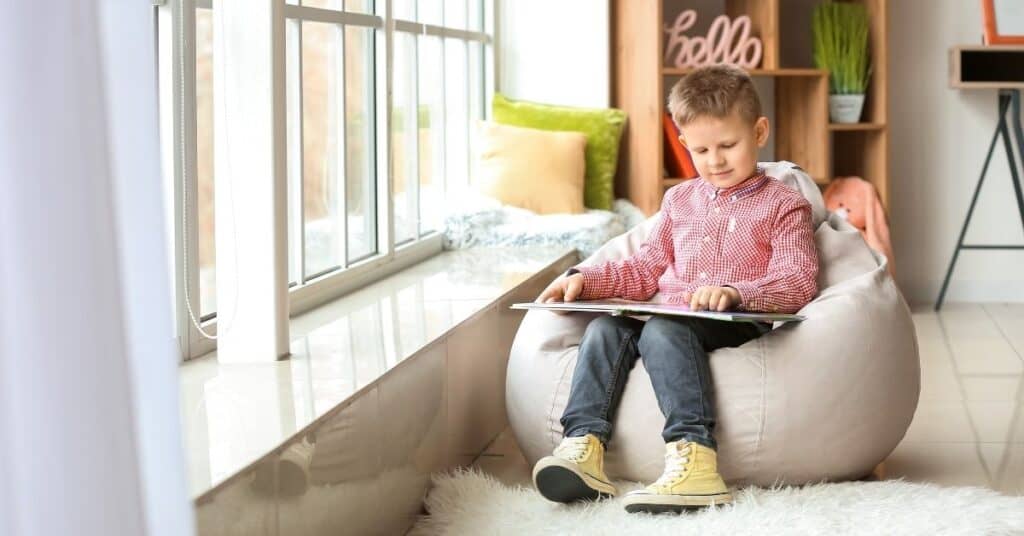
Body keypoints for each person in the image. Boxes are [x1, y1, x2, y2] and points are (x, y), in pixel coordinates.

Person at [530, 64, 819, 514]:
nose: (716, 161)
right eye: (701, 149)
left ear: (759, 131)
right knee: (607, 330)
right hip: (670, 316)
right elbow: (645, 269)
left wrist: (736, 292)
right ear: (684, 143)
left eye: (729, 145)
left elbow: (798, 280)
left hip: (734, 320)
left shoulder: (784, 204)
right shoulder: (680, 200)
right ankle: (583, 446)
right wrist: (587, 280)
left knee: (664, 329)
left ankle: (696, 459)